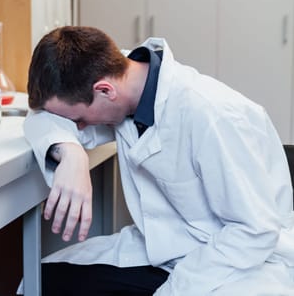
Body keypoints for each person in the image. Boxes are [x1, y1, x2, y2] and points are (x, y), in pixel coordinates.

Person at [22, 26, 294, 295]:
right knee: (41, 281)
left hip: (236, 264)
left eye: (78, 120)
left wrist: (175, 290)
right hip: (166, 249)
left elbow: (255, 231)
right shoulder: (121, 74)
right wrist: (70, 152)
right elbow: (42, 116)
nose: (80, 129)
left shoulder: (213, 114)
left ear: (105, 91)